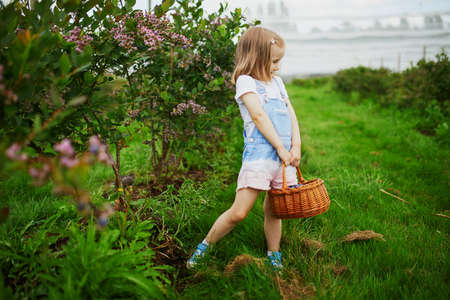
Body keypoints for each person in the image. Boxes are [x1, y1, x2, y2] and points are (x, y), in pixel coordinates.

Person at [187, 27, 301, 271]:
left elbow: (291, 114)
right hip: (260, 155)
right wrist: (280, 147)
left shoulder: (278, 83)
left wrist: (296, 147)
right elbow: (259, 116)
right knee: (239, 212)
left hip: (283, 158)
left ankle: (274, 253)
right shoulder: (246, 81)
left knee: (275, 211)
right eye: (274, 61)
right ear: (257, 57)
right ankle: (205, 245)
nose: (278, 66)